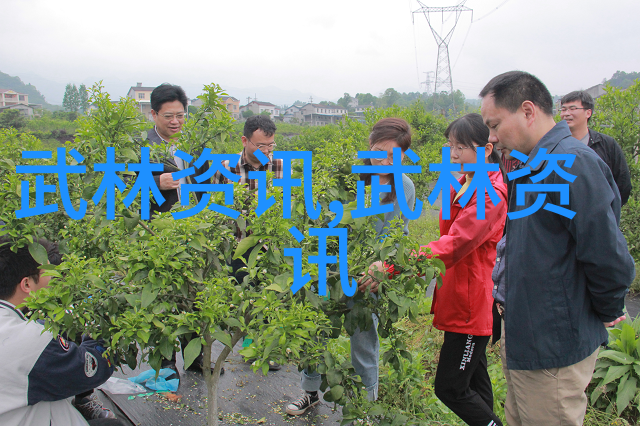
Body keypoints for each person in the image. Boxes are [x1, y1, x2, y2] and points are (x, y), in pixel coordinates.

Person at [480, 71, 635, 426]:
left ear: (528, 111)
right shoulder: (532, 164)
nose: (491, 137)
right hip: (530, 338)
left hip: (553, 345)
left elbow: (607, 256)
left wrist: (606, 309)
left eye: (495, 124)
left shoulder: (571, 164)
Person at [285, 117, 416, 416]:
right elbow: (319, 218)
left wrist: (382, 263)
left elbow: (399, 235)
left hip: (368, 276)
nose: (382, 159)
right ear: (369, 145)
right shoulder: (348, 176)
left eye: (392, 154)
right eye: (378, 150)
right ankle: (310, 392)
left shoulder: (404, 187)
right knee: (314, 330)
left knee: (364, 339)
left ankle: (363, 408)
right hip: (331, 268)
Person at [417, 113, 507, 426]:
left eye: (463, 147)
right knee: (476, 383)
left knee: (451, 388)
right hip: (460, 294)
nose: (454, 153)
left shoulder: (488, 194)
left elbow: (454, 244)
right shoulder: (466, 183)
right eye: (451, 146)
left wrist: (398, 265)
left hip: (471, 305)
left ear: (484, 150)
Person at [0, 236, 121, 426]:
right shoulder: (31, 341)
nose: (56, 275)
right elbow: (93, 368)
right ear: (27, 284)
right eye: (49, 271)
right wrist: (101, 325)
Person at [212, 114, 284, 372]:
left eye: (270, 145)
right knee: (244, 295)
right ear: (245, 141)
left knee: (269, 295)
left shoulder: (278, 165)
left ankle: (265, 348)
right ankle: (249, 343)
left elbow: (284, 203)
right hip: (239, 245)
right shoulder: (225, 168)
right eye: (261, 146)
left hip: (269, 245)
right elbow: (216, 209)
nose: (266, 151)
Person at [147, 83, 211, 214]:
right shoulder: (142, 146)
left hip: (194, 223)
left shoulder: (195, 144)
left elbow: (205, 186)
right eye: (168, 116)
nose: (175, 121)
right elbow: (122, 185)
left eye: (180, 116)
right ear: (154, 114)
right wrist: (156, 182)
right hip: (158, 227)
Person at [560, 90, 632, 206]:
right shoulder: (556, 145)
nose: (566, 113)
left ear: (588, 113)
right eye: (563, 109)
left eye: (572, 109)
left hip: (600, 217)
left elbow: (623, 184)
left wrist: (609, 212)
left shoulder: (607, 145)